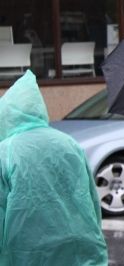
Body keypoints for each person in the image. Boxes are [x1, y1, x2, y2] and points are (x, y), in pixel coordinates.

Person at [0, 71, 108, 265]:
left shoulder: (6, 152)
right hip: (80, 248)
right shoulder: (69, 143)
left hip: (26, 253)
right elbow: (90, 197)